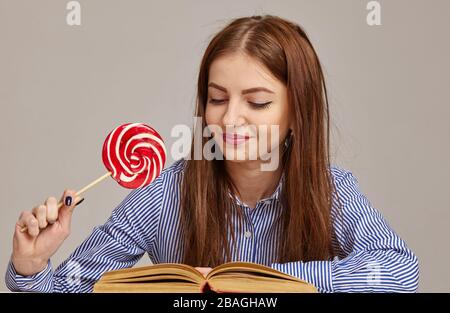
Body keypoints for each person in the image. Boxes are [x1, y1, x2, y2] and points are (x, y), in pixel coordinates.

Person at [6, 15, 418, 293]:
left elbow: (401, 271)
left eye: (257, 103)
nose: (231, 118)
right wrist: (31, 265)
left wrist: (258, 281)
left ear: (297, 113)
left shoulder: (331, 191)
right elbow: (66, 288)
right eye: (217, 98)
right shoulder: (164, 194)